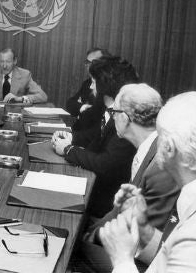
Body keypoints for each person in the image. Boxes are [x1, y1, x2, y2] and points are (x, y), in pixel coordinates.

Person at [99, 91, 196, 272]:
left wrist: (122, 261)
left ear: (168, 147)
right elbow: (174, 259)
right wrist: (144, 229)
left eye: (158, 136)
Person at [74, 83, 180, 272]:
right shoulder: (150, 147)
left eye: (114, 112)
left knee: (71, 245)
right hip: (130, 237)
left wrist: (90, 235)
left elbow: (140, 233)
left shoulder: (160, 164)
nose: (112, 117)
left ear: (123, 117)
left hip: (138, 260)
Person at [52, 56, 138, 218]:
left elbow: (103, 163)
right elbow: (96, 136)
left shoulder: (123, 118)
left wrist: (68, 149)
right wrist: (72, 138)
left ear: (104, 86)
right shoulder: (110, 109)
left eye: (93, 81)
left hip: (105, 203)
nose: (90, 86)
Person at [66, 48, 110, 131]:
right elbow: (70, 103)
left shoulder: (108, 85)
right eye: (87, 62)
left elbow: (96, 115)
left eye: (92, 62)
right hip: (79, 131)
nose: (88, 66)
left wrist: (83, 111)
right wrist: (83, 106)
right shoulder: (87, 83)